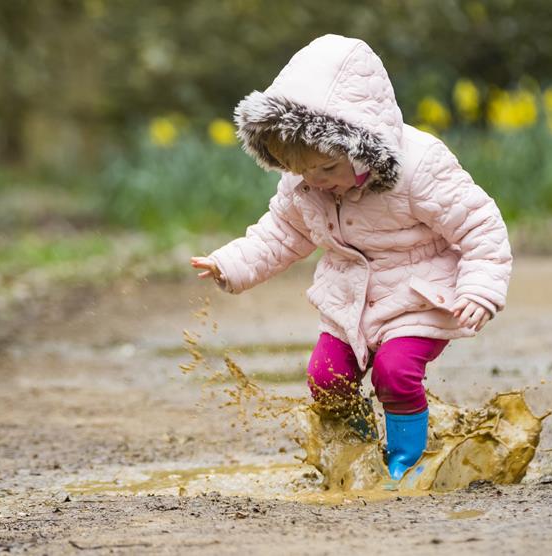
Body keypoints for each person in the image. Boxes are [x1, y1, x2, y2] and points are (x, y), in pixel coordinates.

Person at [190, 34, 512, 481]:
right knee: (326, 378)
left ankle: (407, 463)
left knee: (395, 373)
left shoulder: (421, 169)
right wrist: (230, 263)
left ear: (363, 146)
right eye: (300, 169)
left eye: (326, 169)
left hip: (419, 295)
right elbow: (279, 233)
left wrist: (480, 289)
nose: (315, 181)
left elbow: (480, 226)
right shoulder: (305, 183)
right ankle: (355, 458)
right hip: (350, 302)